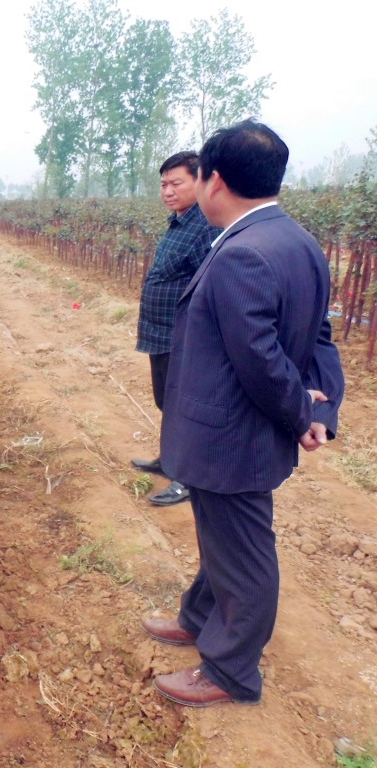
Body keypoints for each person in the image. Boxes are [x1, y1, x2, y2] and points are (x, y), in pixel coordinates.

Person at [142, 120, 344, 707]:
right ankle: (200, 618)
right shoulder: (296, 241)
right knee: (222, 540)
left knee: (245, 554)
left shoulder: (242, 254)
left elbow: (261, 358)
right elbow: (319, 339)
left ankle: (230, 671)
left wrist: (296, 415)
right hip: (242, 434)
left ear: (215, 180)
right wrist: (318, 409)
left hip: (231, 436)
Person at [132, 151, 221, 506]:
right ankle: (169, 461)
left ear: (198, 182)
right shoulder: (180, 221)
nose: (167, 191)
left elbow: (207, 284)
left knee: (184, 407)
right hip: (160, 333)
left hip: (182, 337)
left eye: (176, 183)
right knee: (167, 402)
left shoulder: (204, 227)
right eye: (163, 184)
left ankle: (187, 478)